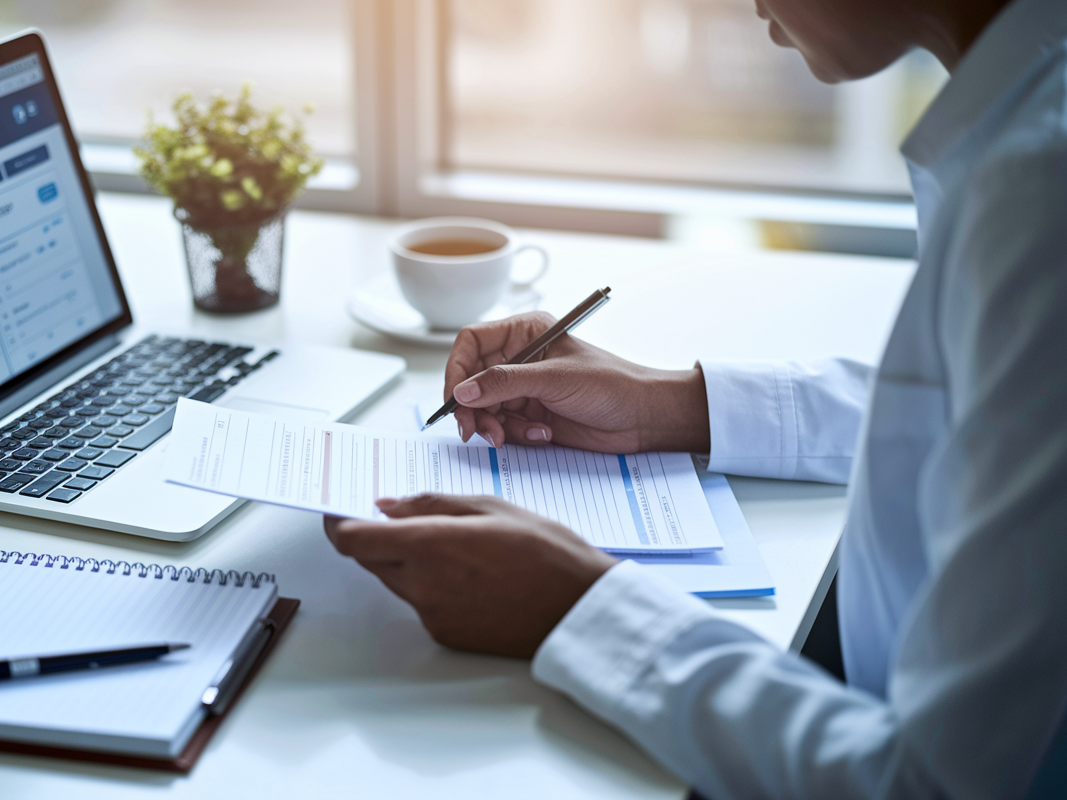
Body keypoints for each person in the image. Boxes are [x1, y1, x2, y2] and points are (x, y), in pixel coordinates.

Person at [323, 0, 1067, 796]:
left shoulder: (1040, 194)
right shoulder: (1018, 129)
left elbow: (932, 784)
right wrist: (668, 406)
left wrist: (575, 608)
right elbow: (988, 410)